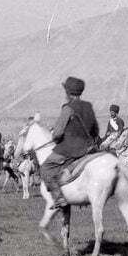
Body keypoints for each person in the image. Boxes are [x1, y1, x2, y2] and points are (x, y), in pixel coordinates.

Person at [40, 76, 100, 210]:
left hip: (70, 150)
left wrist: (56, 139)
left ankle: (59, 198)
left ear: (68, 92)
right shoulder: (88, 106)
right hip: (89, 149)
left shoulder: (67, 108)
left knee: (45, 168)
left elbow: (57, 133)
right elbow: (95, 130)